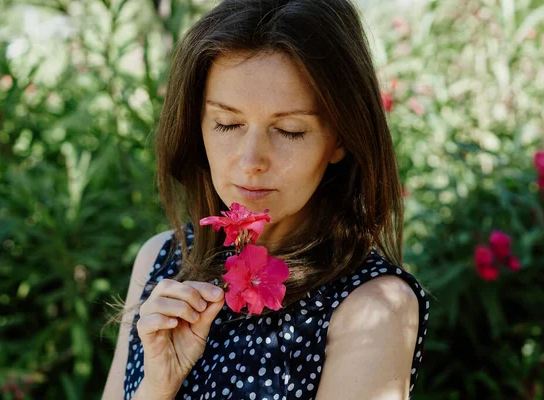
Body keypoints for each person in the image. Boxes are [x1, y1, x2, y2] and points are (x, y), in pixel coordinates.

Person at [102, 0, 430, 399]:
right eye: (228, 123)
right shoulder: (159, 261)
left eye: (290, 130)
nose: (251, 160)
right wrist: (157, 385)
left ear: (341, 138)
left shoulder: (373, 308)